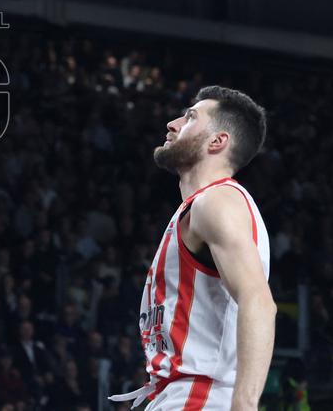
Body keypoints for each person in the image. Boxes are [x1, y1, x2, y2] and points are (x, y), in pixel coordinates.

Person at [110, 86, 275, 410]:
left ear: (218, 142)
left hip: (200, 398)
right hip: (180, 395)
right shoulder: (205, 205)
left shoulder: (216, 202)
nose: (172, 123)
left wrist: (245, 404)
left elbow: (258, 301)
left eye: (189, 117)